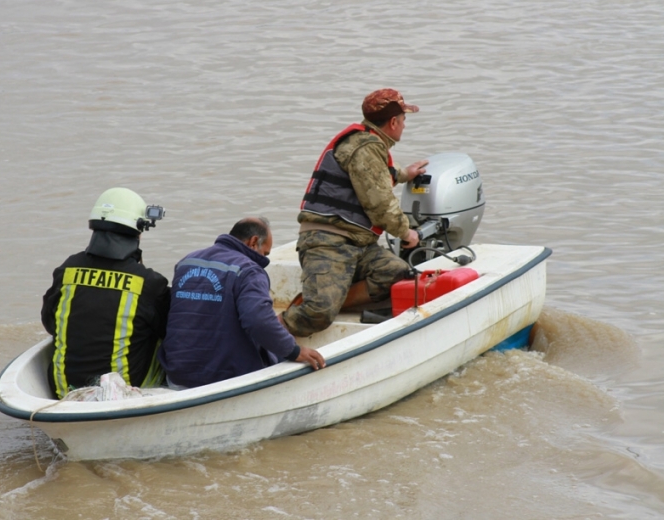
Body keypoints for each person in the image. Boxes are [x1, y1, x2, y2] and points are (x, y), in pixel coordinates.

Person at [280, 88, 429, 337]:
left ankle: (332, 295)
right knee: (319, 313)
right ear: (393, 122)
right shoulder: (365, 149)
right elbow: (381, 206)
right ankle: (263, 333)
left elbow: (376, 177)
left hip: (358, 244)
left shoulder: (369, 144)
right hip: (328, 242)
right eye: (403, 120)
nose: (404, 125)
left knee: (396, 272)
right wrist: (407, 234)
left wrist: (405, 174)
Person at [158, 217, 325, 389]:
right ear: (253, 242)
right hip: (225, 378)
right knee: (279, 351)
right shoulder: (249, 271)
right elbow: (259, 321)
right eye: (265, 254)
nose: (264, 260)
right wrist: (294, 351)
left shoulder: (187, 262)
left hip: (178, 375)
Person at [41, 187, 171, 399]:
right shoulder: (149, 282)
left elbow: (50, 323)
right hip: (121, 397)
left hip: (62, 391)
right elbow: (172, 333)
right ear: (138, 230)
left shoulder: (67, 269)